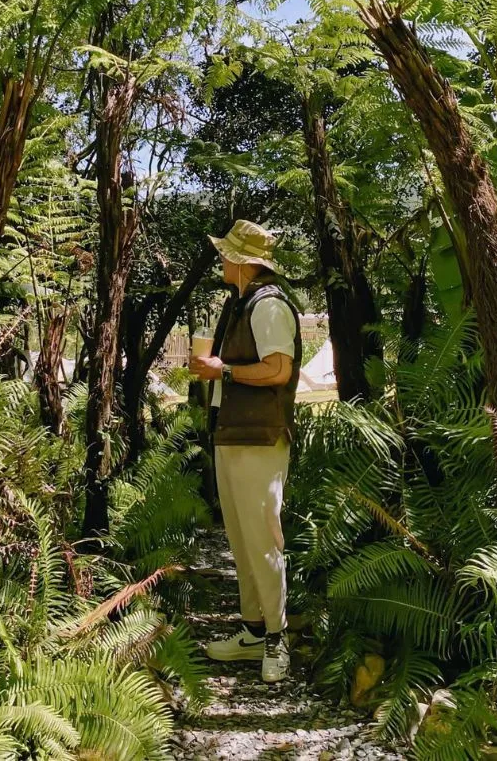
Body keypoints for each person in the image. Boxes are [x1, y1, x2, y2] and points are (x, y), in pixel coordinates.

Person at [190, 219, 302, 683]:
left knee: (263, 539)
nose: (221, 260)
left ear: (241, 262)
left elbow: (278, 369)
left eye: (226, 254)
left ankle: (278, 640)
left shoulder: (269, 306)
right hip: (234, 434)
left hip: (259, 437)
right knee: (241, 540)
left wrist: (225, 372)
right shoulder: (242, 304)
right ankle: (255, 631)